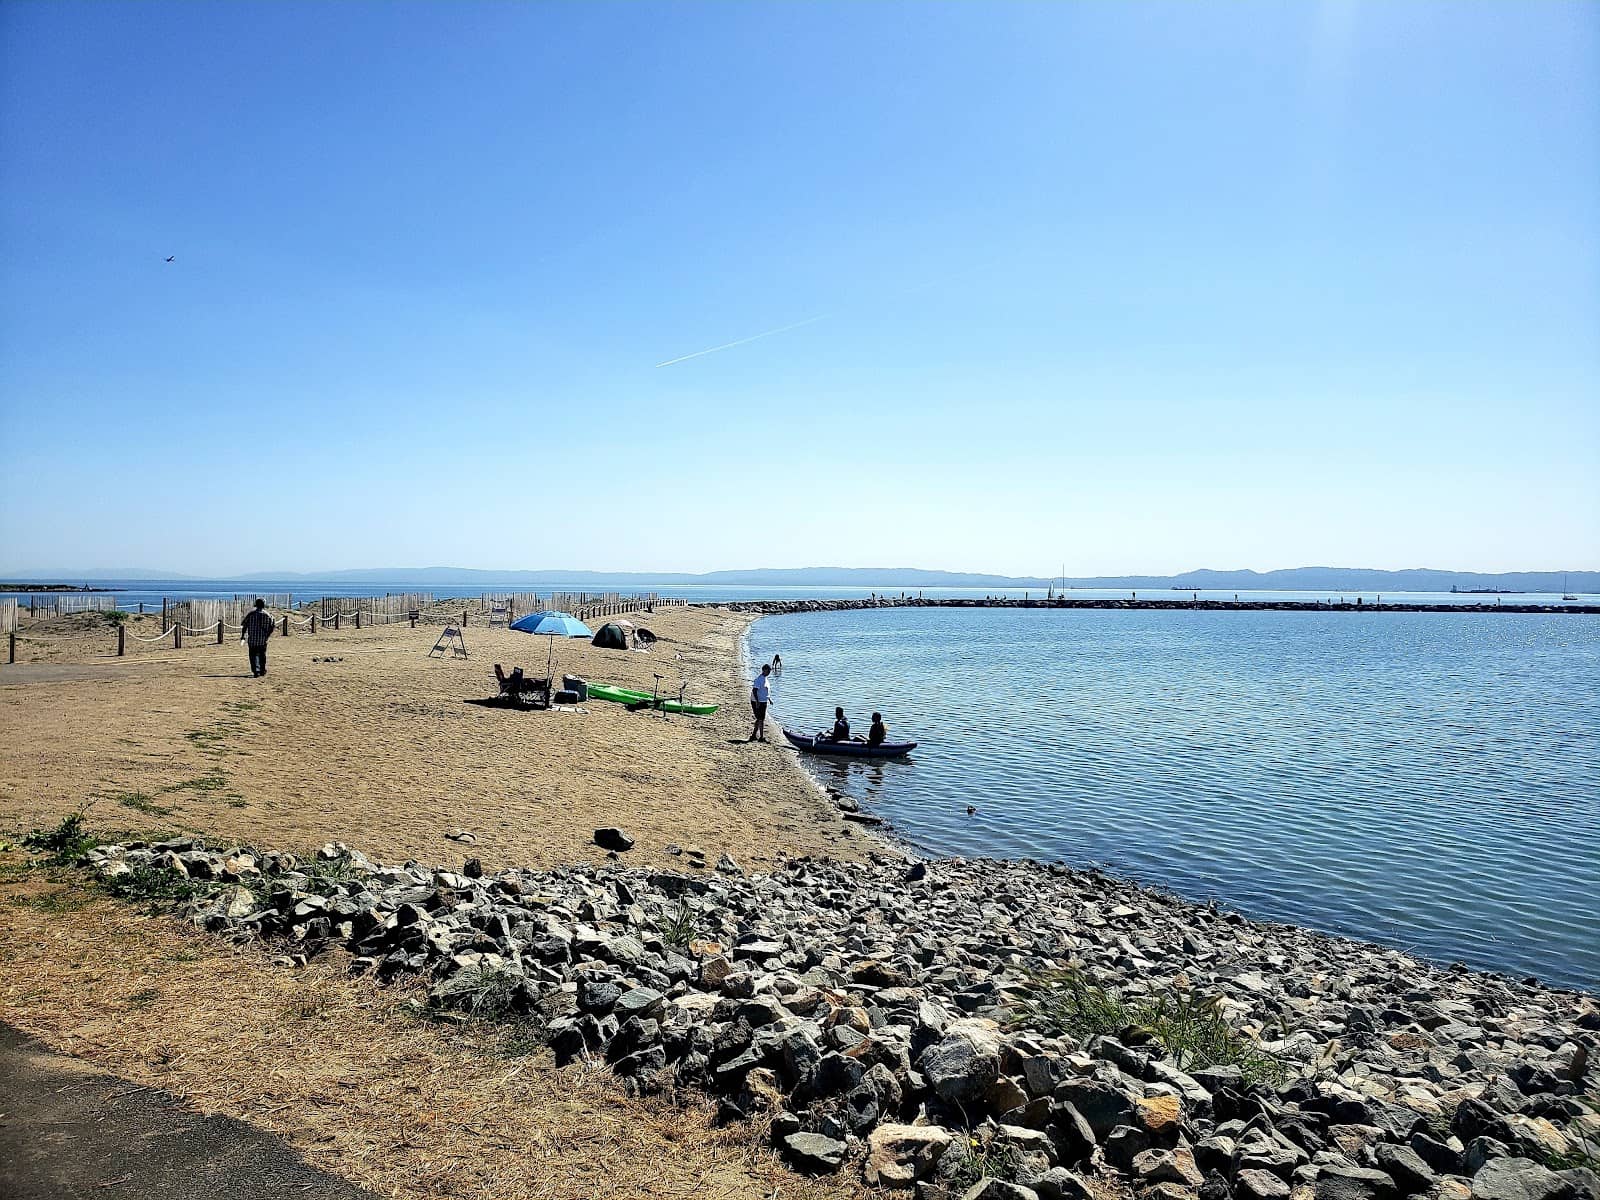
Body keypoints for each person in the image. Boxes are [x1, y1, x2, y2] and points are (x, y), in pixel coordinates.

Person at [240, 598, 274, 677]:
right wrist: (267, 635)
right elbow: (272, 626)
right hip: (262, 640)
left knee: (253, 655)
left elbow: (244, 625)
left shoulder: (251, 614)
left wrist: (243, 635)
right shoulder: (268, 615)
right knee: (262, 655)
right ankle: (262, 670)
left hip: (252, 639)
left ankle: (256, 671)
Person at [749, 663, 772, 742]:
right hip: (757, 701)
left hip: (763, 701)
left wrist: (769, 699)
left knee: (759, 719)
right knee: (760, 719)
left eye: (770, 671)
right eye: (768, 671)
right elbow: (754, 690)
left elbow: (765, 691)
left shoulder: (766, 679)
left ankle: (754, 735)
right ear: (764, 670)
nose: (769, 672)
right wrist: (757, 701)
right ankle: (761, 737)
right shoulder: (759, 679)